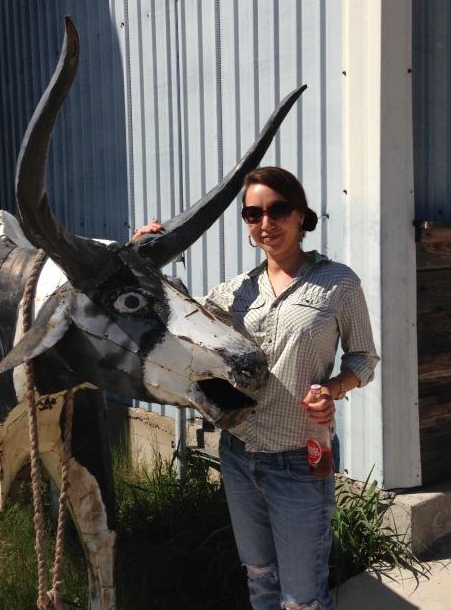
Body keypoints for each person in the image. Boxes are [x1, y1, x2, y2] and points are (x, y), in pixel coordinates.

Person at [133, 166, 379, 610]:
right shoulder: (235, 292)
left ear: (300, 215)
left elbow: (364, 357)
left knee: (303, 597)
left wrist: (334, 388)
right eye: (253, 214)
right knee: (260, 578)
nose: (266, 223)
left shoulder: (338, 283)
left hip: (301, 458)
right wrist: (141, 257)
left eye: (277, 210)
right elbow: (175, 317)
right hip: (239, 455)